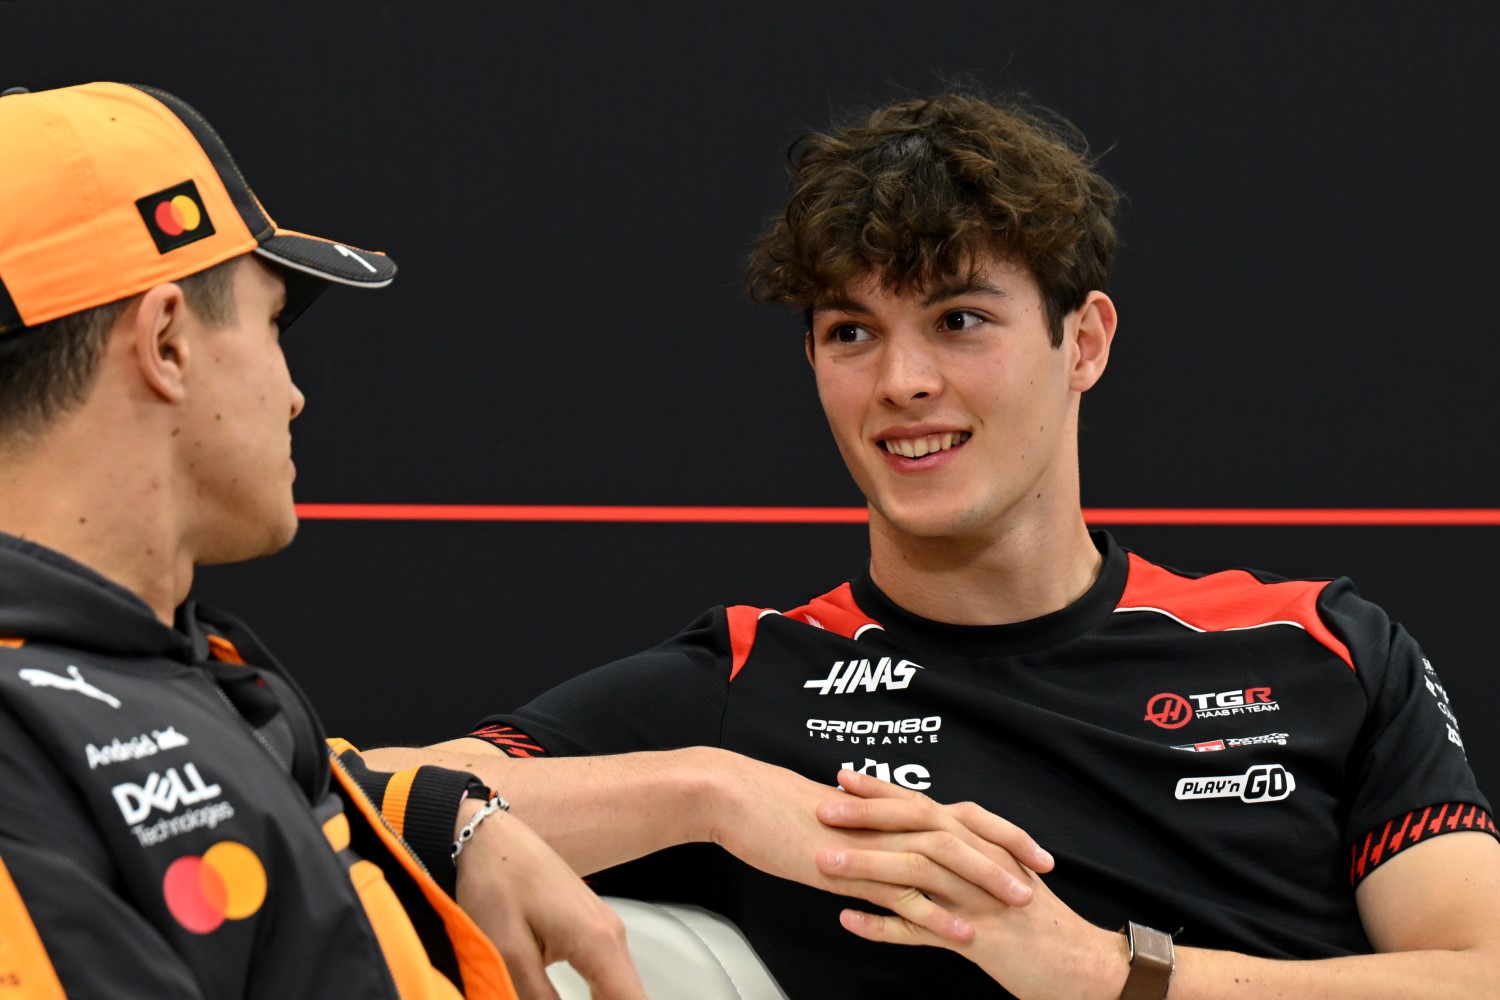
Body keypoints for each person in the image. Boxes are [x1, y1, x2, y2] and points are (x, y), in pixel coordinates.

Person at [368, 92, 1500, 998]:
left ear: (1084, 340)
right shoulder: (756, 684)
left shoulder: (1322, 651)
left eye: (960, 319)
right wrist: (711, 792)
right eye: (851, 333)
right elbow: (350, 794)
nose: (903, 383)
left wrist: (1108, 973)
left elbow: (1480, 971)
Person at [0, 82, 645, 1000]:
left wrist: (449, 814)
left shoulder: (159, 663)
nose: (294, 395)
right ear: (168, 342)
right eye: (272, 324)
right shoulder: (36, 743)